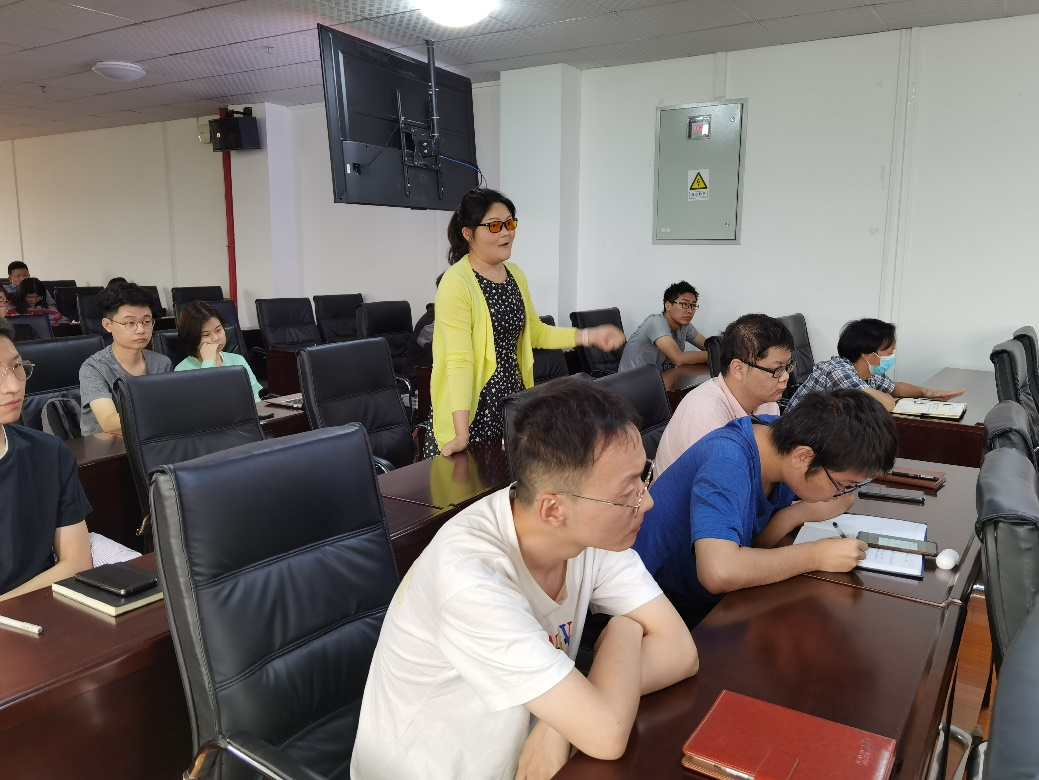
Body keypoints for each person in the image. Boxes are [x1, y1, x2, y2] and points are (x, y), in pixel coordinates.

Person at [352, 379, 699, 780]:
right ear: (553, 509)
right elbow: (607, 733)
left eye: (644, 476)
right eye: (627, 493)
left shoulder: (589, 531)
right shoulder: (469, 579)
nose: (647, 500)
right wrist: (626, 629)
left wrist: (561, 723)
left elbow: (680, 652)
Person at [634, 389, 898, 627]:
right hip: (659, 608)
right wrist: (816, 555)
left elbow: (754, 545)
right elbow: (718, 572)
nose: (842, 493)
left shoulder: (779, 438)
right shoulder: (727, 462)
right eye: (841, 484)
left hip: (714, 598)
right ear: (803, 457)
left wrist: (792, 515)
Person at [427, 188, 625, 458]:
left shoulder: (514, 274)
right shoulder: (456, 282)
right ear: (468, 233)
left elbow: (536, 333)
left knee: (510, 478)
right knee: (473, 482)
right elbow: (459, 360)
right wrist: (461, 433)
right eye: (494, 226)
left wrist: (589, 336)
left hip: (511, 399)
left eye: (510, 223)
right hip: (470, 408)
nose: (506, 233)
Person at [0, 318, 93, 601]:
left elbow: (77, 562)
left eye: (17, 366)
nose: (13, 386)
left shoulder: (49, 453)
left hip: (39, 608)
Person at [655, 314, 794, 475]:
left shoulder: (767, 402)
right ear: (738, 369)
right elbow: (718, 482)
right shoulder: (705, 413)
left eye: (787, 367)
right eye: (777, 369)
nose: (785, 377)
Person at [787, 318, 964, 411]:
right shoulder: (838, 371)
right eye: (889, 352)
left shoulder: (866, 372)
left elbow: (894, 388)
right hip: (794, 437)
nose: (891, 357)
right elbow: (887, 403)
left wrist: (928, 393)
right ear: (866, 354)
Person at [79, 281, 171, 435]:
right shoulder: (94, 368)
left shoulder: (161, 363)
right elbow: (109, 423)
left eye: (146, 321)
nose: (140, 330)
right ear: (107, 325)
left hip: (153, 439)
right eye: (130, 323)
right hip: (109, 446)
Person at [173, 300, 262, 401]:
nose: (215, 338)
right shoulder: (182, 370)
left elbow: (255, 400)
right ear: (191, 337)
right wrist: (208, 363)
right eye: (206, 334)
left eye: (218, 330)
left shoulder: (238, 360)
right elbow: (201, 403)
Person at [619, 281, 708, 372]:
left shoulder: (684, 326)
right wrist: (713, 354)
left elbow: (710, 346)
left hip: (657, 378)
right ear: (668, 305)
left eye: (693, 305)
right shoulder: (656, 322)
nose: (690, 311)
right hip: (631, 379)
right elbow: (678, 358)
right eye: (684, 304)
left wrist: (714, 351)